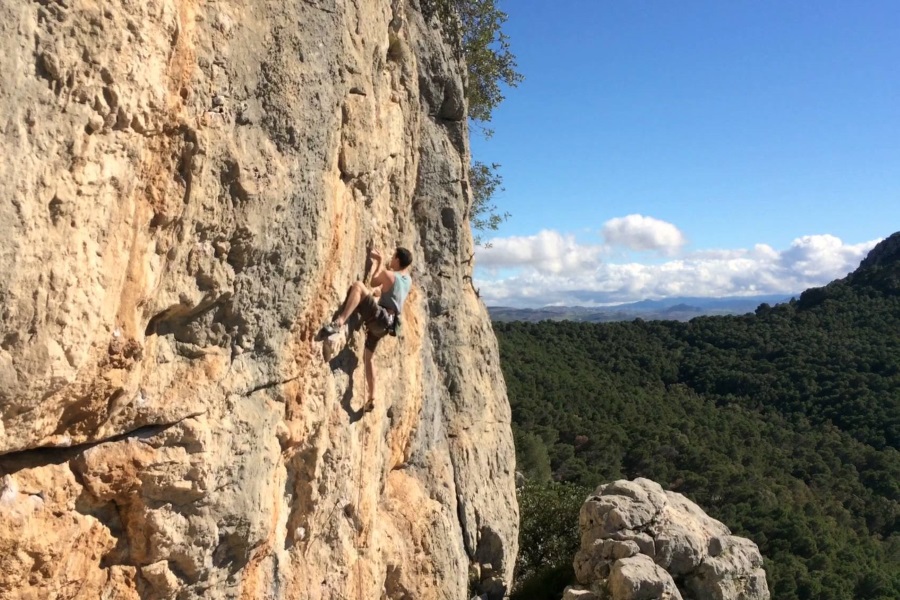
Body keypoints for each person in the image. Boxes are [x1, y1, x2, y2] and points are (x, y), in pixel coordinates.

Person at [323, 247, 413, 410]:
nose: (391, 260)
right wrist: (380, 292)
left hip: (380, 318)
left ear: (398, 260)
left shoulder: (389, 274)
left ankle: (339, 322)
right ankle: (372, 397)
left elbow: (373, 282)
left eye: (393, 257)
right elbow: (389, 292)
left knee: (358, 286)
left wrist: (379, 263)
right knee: (368, 357)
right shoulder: (408, 280)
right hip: (387, 325)